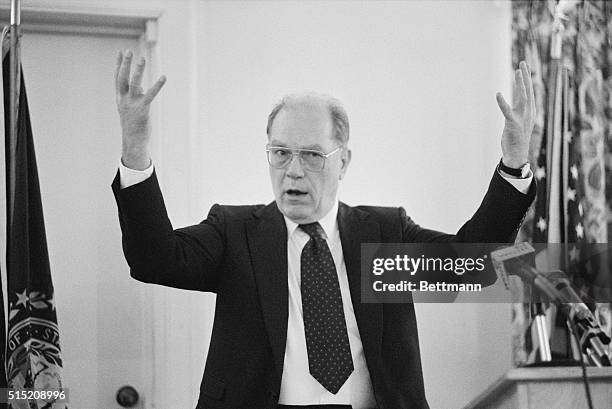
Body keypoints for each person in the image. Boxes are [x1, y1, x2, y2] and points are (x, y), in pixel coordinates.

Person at [111, 50, 536, 409]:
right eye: (280, 153)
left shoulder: (383, 236)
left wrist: (514, 162)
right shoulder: (236, 232)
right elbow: (155, 259)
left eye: (312, 155)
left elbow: (472, 264)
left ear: (343, 161)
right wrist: (135, 148)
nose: (293, 171)